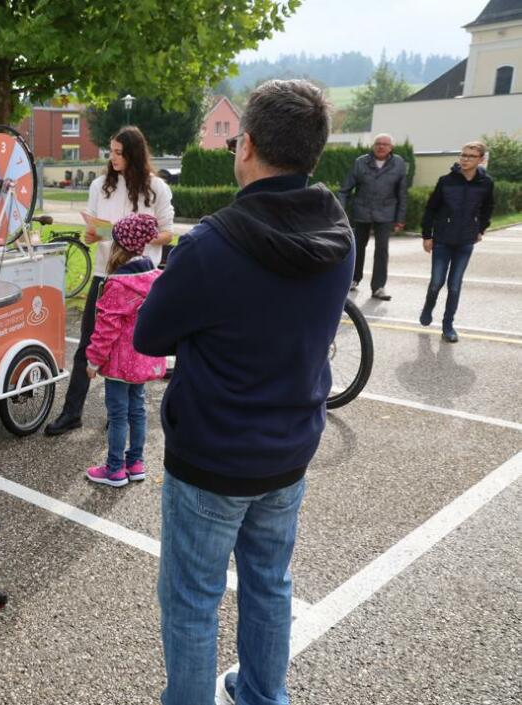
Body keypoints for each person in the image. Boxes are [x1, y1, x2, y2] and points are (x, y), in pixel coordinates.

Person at [134, 79, 353, 705]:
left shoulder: (211, 245)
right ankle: (263, 693)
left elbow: (150, 337)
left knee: (192, 601)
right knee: (268, 582)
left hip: (213, 455)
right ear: (314, 152)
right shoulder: (338, 232)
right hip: (290, 448)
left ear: (246, 144)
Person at [44, 125, 174, 436]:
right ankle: (71, 412)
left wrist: (137, 236)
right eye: (111, 151)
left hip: (142, 280)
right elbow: (91, 234)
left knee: (133, 347)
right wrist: (96, 234)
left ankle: (122, 414)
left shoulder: (156, 188)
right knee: (87, 346)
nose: (112, 157)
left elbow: (169, 233)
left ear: (134, 154)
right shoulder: (100, 185)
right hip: (105, 275)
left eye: (119, 152)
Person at [83, 213, 167, 487]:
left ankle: (115, 469)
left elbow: (106, 329)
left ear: (119, 245)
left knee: (118, 415)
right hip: (143, 360)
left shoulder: (119, 284)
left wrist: (93, 361)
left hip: (119, 364)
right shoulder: (156, 277)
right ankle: (136, 463)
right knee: (138, 411)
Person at [419, 141, 494, 343]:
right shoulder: (446, 181)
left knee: (454, 286)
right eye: (463, 155)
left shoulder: (486, 183)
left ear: (481, 159)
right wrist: (427, 235)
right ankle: (428, 306)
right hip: (442, 239)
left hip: (465, 242)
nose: (465, 159)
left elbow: (487, 209)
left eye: (470, 156)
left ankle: (448, 325)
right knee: (436, 283)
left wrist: (481, 229)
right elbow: (431, 209)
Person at [338, 133, 408, 300]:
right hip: (361, 211)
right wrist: (340, 212)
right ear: (373, 146)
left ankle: (378, 287)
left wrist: (400, 218)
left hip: (386, 213)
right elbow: (345, 189)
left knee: (382, 250)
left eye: (385, 144)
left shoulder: (398, 164)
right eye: (378, 143)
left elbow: (402, 193)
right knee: (357, 247)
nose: (381, 146)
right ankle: (354, 279)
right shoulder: (360, 162)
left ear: (391, 148)